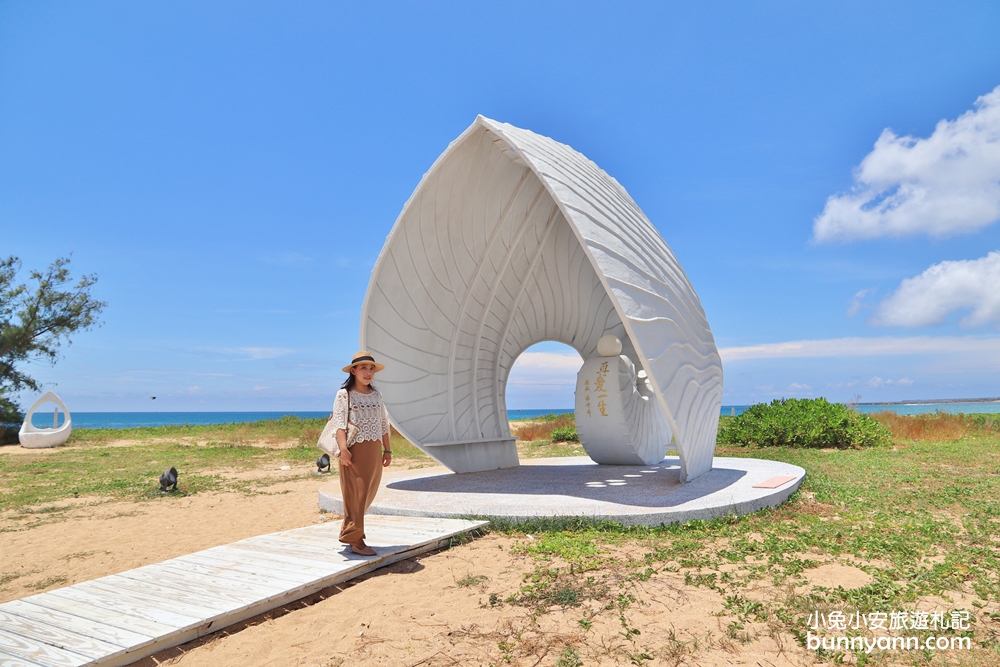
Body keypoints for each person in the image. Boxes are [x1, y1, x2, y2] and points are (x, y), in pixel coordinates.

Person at [332, 351, 392, 556]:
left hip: (374, 449)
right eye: (363, 368)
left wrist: (388, 449)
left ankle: (350, 531)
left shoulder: (377, 395)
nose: (368, 372)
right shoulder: (344, 394)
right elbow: (339, 424)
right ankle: (356, 541)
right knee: (356, 494)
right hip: (353, 450)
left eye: (371, 368)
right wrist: (343, 450)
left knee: (368, 492)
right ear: (354, 370)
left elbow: (384, 424)